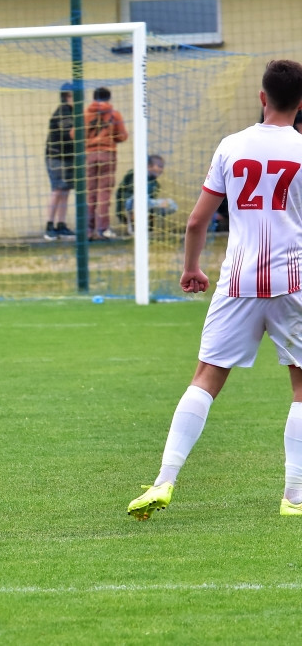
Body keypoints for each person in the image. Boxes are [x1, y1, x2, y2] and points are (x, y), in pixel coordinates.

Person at [127, 59, 302, 520]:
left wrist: (192, 269)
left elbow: (197, 220)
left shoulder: (231, 146)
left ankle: (164, 480)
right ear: (301, 104)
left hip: (238, 279)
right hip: (294, 280)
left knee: (206, 376)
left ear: (262, 97)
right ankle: (294, 497)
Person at [84, 87, 128, 240]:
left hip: (88, 155)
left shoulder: (85, 114)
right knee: (104, 192)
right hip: (107, 155)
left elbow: (74, 134)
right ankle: (102, 228)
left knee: (90, 193)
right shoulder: (114, 114)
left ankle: (88, 230)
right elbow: (122, 136)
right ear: (109, 98)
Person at [43, 83, 76, 241]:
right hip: (56, 157)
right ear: (66, 97)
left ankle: (61, 225)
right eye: (73, 96)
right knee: (57, 190)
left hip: (69, 157)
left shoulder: (73, 112)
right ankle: (49, 226)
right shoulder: (63, 113)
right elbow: (71, 135)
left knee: (66, 190)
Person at [114, 154, 177, 234]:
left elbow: (151, 200)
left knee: (171, 204)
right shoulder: (134, 175)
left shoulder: (155, 184)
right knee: (139, 199)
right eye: (160, 166)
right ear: (148, 166)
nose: (162, 170)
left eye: (162, 167)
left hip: (146, 203)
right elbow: (127, 197)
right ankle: (134, 225)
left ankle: (148, 229)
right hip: (129, 204)